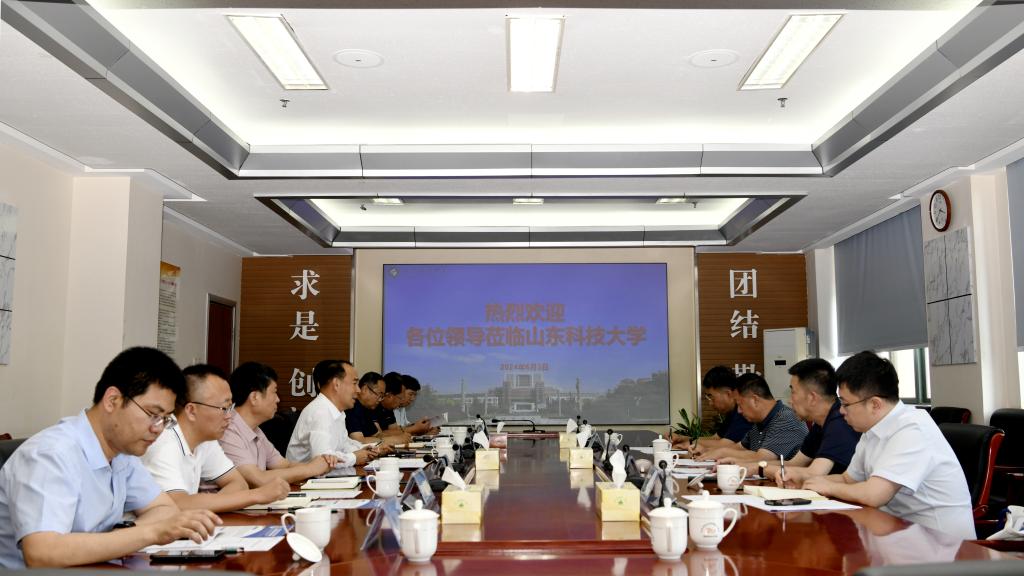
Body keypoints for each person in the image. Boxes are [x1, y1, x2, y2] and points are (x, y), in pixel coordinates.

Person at [0, 347, 221, 568]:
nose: (158, 429)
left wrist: (123, 537)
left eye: (165, 419)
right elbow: (42, 554)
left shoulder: (122, 453)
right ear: (112, 400)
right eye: (153, 414)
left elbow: (165, 509)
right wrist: (151, 533)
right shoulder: (51, 455)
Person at [803, 351, 975, 539]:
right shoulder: (871, 430)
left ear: (875, 404)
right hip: (900, 533)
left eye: (845, 404)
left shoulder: (912, 430)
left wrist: (828, 487)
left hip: (941, 545)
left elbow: (874, 495)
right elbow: (848, 480)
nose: (841, 411)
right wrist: (809, 484)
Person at [142, 364, 290, 512]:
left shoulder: (205, 439)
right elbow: (178, 503)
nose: (229, 416)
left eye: (230, 407)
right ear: (191, 410)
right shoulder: (162, 442)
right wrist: (257, 495)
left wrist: (209, 505)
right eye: (224, 408)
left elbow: (238, 483)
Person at [220, 361, 340, 487]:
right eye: (274, 392)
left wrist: (321, 464)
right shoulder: (227, 429)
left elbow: (284, 465)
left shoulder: (255, 430)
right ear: (255, 397)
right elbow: (258, 479)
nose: (278, 399)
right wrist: (311, 469)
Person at [751, 358, 860, 484]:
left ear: (812, 398)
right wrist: (751, 467)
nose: (790, 401)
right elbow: (794, 464)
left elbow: (813, 474)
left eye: (793, 392)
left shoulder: (840, 422)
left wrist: (758, 469)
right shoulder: (820, 423)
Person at [693, 373, 807, 462]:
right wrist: (705, 451)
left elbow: (763, 458)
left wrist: (722, 453)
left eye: (740, 404)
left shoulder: (787, 419)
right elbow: (739, 447)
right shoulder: (759, 423)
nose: (739, 411)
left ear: (755, 400)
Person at [287, 360, 381, 466]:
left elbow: (344, 445)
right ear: (336, 384)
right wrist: (354, 457)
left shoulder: (337, 412)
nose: (358, 390)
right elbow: (324, 460)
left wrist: (365, 449)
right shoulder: (320, 412)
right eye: (354, 383)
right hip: (307, 476)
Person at [672, 366, 752, 451]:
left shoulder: (744, 413)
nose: (710, 403)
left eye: (711, 397)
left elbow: (726, 444)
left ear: (728, 394)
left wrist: (690, 443)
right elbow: (716, 438)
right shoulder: (731, 412)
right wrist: (683, 438)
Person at [346, 372, 408, 445]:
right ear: (365, 389)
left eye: (382, 396)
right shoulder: (352, 407)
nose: (380, 400)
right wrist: (390, 440)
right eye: (379, 395)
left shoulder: (367, 409)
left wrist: (400, 437)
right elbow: (358, 441)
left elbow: (377, 435)